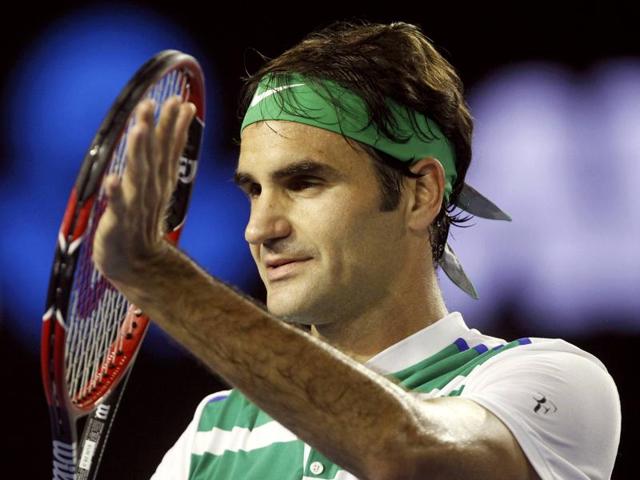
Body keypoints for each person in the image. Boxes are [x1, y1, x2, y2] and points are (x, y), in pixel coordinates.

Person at [93, 21, 621, 480]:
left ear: (421, 194)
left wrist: (159, 277)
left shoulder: (551, 382)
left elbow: (410, 458)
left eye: (304, 183)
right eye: (253, 190)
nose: (260, 228)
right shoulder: (216, 433)